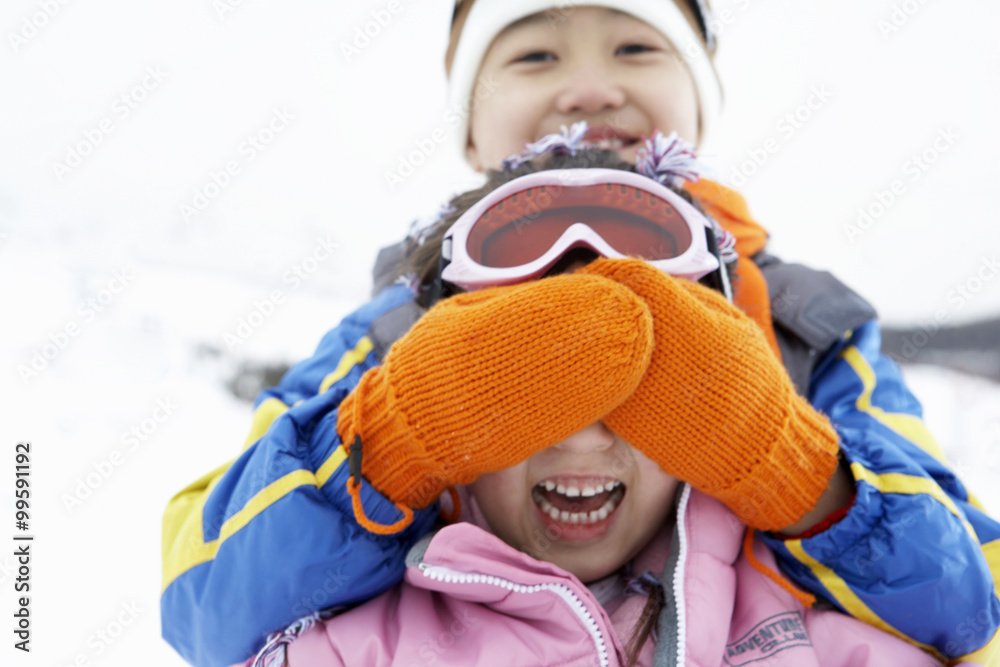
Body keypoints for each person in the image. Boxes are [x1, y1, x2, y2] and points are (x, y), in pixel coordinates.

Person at [160, 2, 1000, 665]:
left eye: (636, 48)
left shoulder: (802, 322)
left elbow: (969, 603)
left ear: (699, 97)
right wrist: (397, 432)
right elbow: (210, 597)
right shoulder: (394, 328)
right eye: (535, 54)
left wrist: (790, 468)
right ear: (469, 127)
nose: (590, 89)